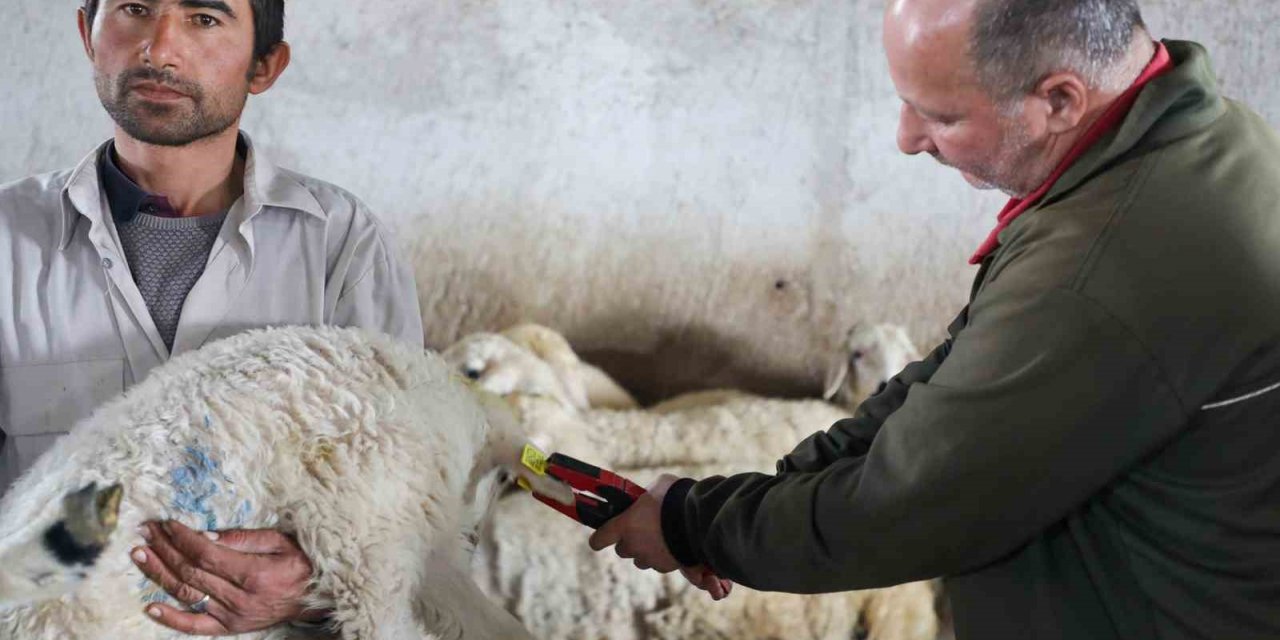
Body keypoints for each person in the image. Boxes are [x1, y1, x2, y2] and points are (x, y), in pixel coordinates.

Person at [588, 0, 1280, 638]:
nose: (907, 138)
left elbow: (908, 507)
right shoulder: (1192, 142)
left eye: (941, 116)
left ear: (1061, 99)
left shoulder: (1106, 267)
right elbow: (963, 367)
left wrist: (694, 526)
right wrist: (769, 491)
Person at [0, 0, 422, 635]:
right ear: (89, 33)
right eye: (135, 9)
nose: (159, 48)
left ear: (264, 66)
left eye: (204, 17)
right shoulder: (7, 241)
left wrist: (313, 589)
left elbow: (417, 508)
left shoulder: (341, 244)